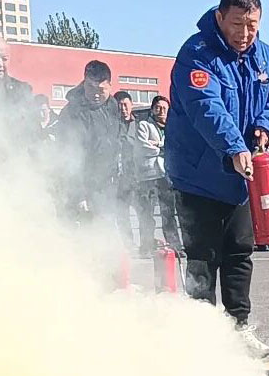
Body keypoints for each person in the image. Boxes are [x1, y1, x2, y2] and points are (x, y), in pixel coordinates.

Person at [164, 0, 269, 358]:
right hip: (197, 174)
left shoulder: (265, 57)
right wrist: (235, 146)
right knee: (202, 257)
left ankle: (238, 326)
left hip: (239, 176)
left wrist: (266, 126)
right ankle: (202, 337)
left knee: (239, 251)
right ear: (220, 17)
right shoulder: (196, 55)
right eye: (237, 24)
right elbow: (206, 107)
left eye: (252, 25)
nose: (245, 33)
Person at [56, 60, 122, 226]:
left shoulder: (113, 107)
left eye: (101, 90)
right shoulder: (72, 113)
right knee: (86, 234)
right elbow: (69, 158)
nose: (96, 94)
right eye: (91, 88)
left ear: (110, 86)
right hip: (83, 189)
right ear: (84, 83)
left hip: (107, 186)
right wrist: (79, 195)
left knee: (106, 231)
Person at [135, 95, 181, 252]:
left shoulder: (172, 128)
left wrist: (158, 144)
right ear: (152, 109)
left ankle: (175, 246)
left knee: (168, 213)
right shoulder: (144, 125)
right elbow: (143, 146)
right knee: (146, 213)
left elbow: (175, 147)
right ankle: (146, 246)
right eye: (158, 108)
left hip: (165, 176)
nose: (161, 111)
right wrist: (163, 147)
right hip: (148, 176)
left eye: (164, 108)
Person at [114, 90, 141, 249]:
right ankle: (128, 243)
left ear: (131, 105)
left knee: (144, 211)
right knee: (122, 212)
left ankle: (147, 243)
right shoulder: (112, 125)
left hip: (139, 175)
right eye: (120, 106)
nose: (123, 109)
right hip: (120, 176)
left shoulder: (140, 124)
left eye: (126, 105)